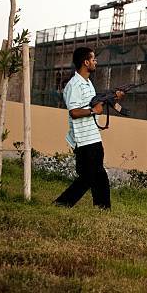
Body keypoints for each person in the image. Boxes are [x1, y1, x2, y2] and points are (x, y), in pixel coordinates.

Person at [54, 47, 125, 210]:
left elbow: (93, 104)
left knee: (95, 175)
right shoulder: (74, 85)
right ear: (86, 62)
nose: (95, 62)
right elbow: (74, 112)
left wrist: (114, 98)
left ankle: (101, 207)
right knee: (91, 176)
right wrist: (94, 111)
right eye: (93, 59)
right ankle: (64, 204)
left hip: (92, 135)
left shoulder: (88, 83)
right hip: (83, 139)